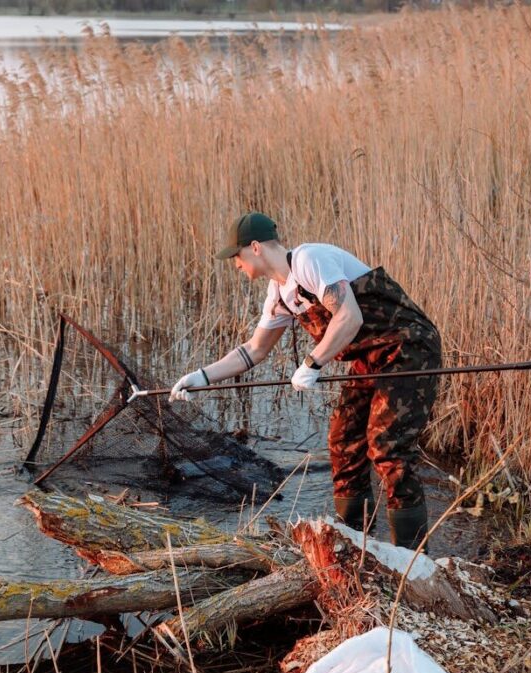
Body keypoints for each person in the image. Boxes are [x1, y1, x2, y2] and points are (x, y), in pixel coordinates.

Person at [170, 212, 441, 550]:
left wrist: (314, 362)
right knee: (343, 440)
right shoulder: (280, 294)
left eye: (236, 257)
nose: (235, 265)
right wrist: (201, 377)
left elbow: (350, 316)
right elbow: (254, 351)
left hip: (409, 348)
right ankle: (357, 545)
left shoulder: (309, 260)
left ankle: (412, 559)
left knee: (388, 445)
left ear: (255, 248)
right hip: (370, 360)